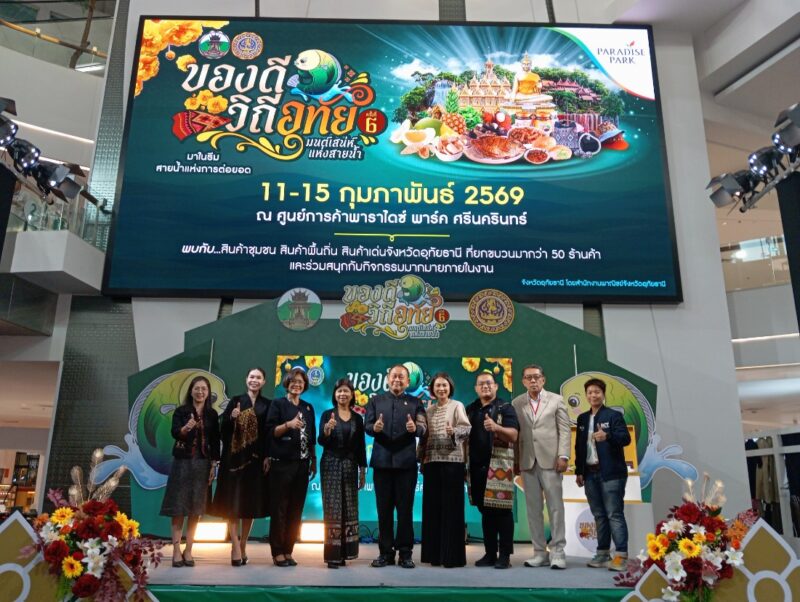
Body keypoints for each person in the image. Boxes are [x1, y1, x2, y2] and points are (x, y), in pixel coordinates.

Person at [365, 364, 427, 569]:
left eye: (401, 377)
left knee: (405, 510)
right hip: (382, 463)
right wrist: (374, 428)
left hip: (406, 464)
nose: (397, 380)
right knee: (383, 510)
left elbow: (423, 428)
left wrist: (415, 428)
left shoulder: (416, 403)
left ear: (408, 382)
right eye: (394, 376)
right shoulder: (375, 400)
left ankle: (406, 554)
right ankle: (385, 553)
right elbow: (367, 426)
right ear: (388, 379)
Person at [210, 368, 271, 566]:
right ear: (246, 380)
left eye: (258, 377)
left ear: (264, 382)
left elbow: (268, 434)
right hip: (233, 461)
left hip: (255, 461)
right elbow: (222, 430)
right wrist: (232, 418)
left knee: (249, 505)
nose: (255, 380)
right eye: (252, 377)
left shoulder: (267, 404)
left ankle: (243, 544)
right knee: (233, 503)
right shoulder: (235, 400)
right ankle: (235, 546)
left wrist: (267, 456)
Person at [512, 364, 571, 570]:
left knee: (555, 508)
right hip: (527, 462)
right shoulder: (517, 403)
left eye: (536, 377)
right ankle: (539, 552)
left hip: (552, 461)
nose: (533, 381)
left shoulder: (556, 400)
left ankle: (558, 552)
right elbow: (516, 433)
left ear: (543, 380)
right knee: (533, 510)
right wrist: (516, 461)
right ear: (523, 381)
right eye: (528, 377)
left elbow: (565, 430)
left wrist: (563, 455)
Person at [160, 374, 221, 568]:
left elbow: (215, 440)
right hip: (183, 463)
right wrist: (186, 428)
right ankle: (176, 550)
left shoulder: (212, 414)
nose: (200, 392)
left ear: (208, 392)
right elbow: (174, 433)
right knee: (179, 508)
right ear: (191, 391)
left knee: (196, 509)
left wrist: (214, 465)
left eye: (204, 389)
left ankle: (189, 550)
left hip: (203, 464)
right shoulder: (181, 411)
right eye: (197, 388)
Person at [575, 377, 631, 572]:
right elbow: (579, 447)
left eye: (597, 392)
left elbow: (625, 438)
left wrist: (607, 436)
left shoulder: (613, 416)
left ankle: (621, 555)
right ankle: (603, 553)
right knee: (598, 515)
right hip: (590, 474)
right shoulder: (582, 419)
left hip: (612, 473)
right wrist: (579, 471)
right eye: (590, 392)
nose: (593, 395)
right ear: (586, 395)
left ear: (603, 394)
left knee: (614, 514)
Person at [465, 372, 519, 569]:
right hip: (476, 467)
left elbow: (513, 435)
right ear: (476, 388)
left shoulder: (506, 408)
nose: (485, 386)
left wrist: (496, 427)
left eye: (489, 383)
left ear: (496, 386)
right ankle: (489, 553)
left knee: (502, 512)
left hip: (499, 466)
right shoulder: (470, 409)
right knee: (485, 511)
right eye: (481, 384)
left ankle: (504, 555)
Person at [419, 372, 471, 568]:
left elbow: (467, 429)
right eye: (438, 386)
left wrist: (454, 431)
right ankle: (435, 555)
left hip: (452, 463)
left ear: (450, 388)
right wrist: (421, 459)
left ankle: (452, 557)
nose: (441, 389)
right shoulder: (428, 410)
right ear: (432, 389)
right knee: (432, 510)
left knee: (452, 510)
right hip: (431, 462)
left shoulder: (457, 406)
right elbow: (424, 438)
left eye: (444, 385)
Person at [266, 367, 317, 567]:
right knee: (279, 508)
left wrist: (313, 460)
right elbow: (271, 432)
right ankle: (277, 551)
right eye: (294, 381)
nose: (297, 384)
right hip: (282, 464)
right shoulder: (277, 404)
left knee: (296, 509)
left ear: (305, 385)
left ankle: (288, 550)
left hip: (303, 464)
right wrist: (288, 425)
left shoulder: (308, 408)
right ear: (287, 383)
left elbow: (311, 437)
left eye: (300, 382)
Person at [318, 378, 367, 569]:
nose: (342, 394)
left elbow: (361, 446)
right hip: (330, 464)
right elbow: (321, 441)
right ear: (335, 394)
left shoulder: (358, 418)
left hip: (350, 465)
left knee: (349, 507)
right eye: (339, 391)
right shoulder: (327, 415)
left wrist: (362, 470)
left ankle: (346, 553)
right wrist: (327, 430)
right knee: (333, 508)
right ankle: (333, 556)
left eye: (346, 391)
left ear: (352, 394)